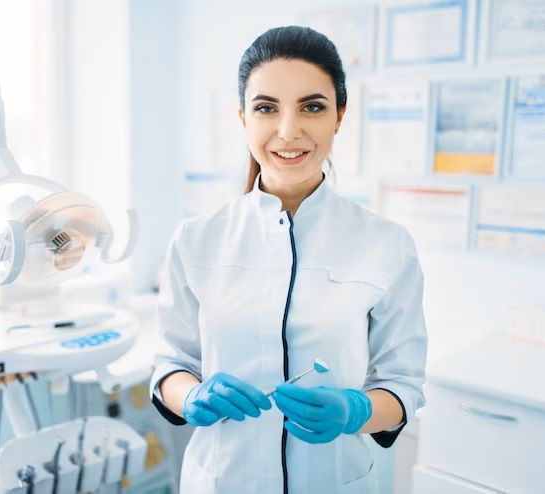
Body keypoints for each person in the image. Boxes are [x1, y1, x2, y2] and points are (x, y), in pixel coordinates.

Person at [149, 26, 427, 494]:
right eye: (266, 108)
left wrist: (357, 411)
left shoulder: (387, 243)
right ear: (243, 118)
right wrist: (191, 394)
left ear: (339, 116)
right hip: (222, 480)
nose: (288, 131)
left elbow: (403, 384)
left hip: (334, 480)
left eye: (312, 107)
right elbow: (170, 364)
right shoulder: (196, 240)